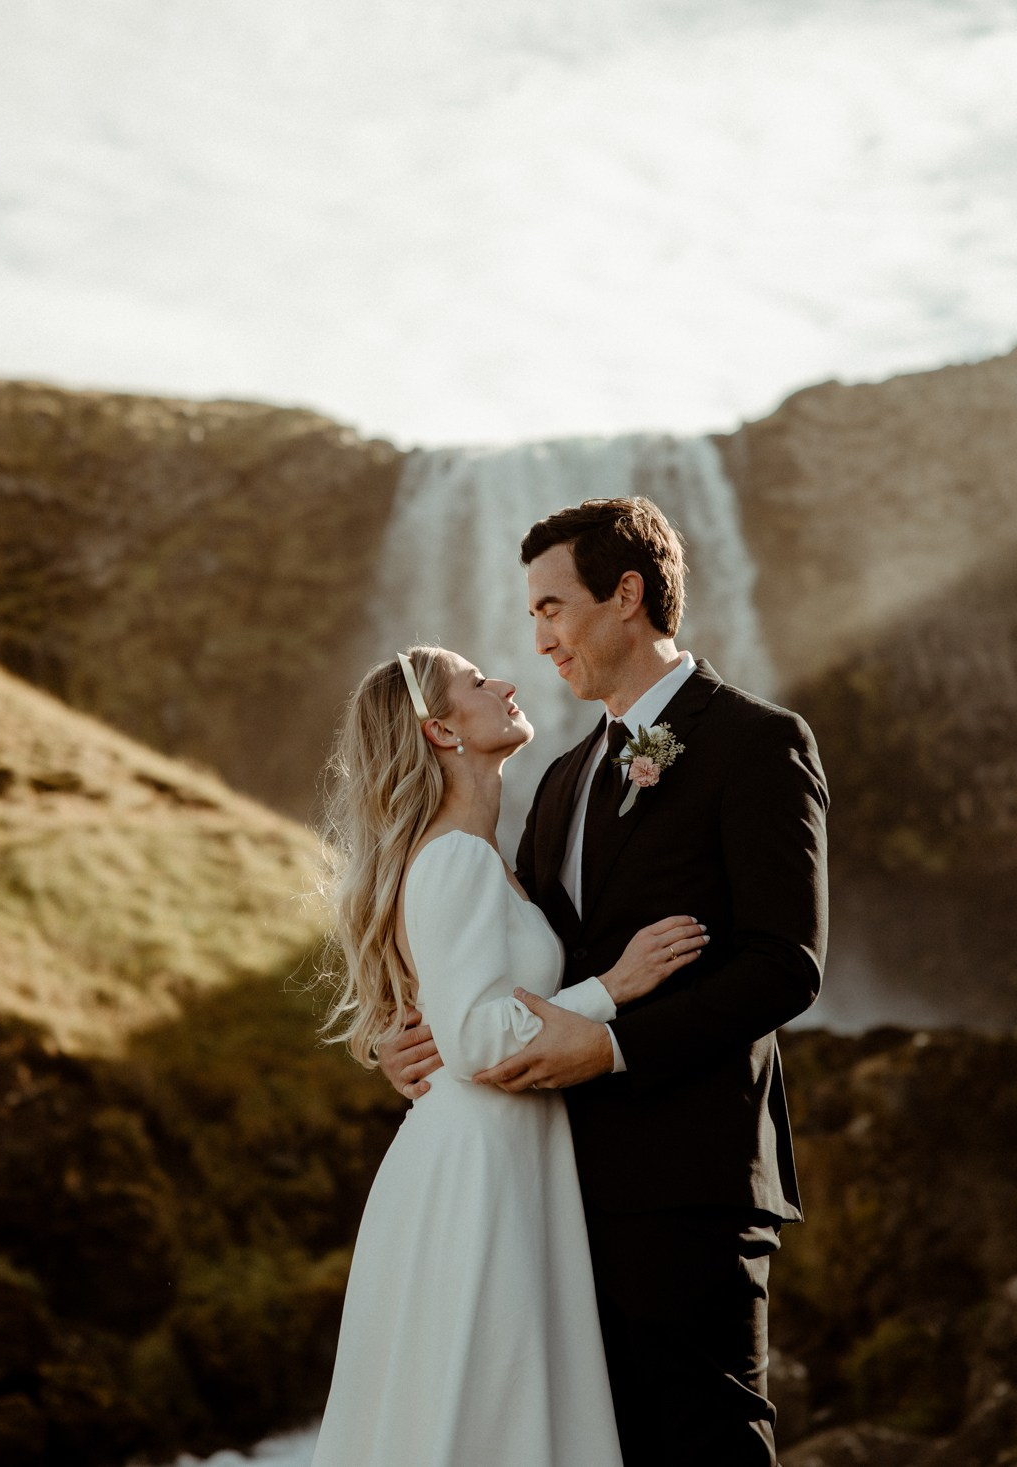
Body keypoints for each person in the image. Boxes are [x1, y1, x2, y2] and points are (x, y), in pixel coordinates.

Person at [380, 497, 830, 1466]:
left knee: (706, 1440)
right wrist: (410, 1037)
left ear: (626, 597)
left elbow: (786, 964)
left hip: (689, 1177)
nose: (537, 638)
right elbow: (511, 962)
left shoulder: (757, 742)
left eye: (551, 608)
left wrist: (614, 1041)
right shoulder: (561, 777)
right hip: (547, 1187)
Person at [310, 643, 710, 1467]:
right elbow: (477, 1039)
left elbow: (453, 1016)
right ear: (440, 729)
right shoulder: (456, 857)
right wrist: (613, 987)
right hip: (480, 1171)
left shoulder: (486, 852)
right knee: (485, 1415)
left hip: (506, 1154)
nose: (505, 683)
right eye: (476, 682)